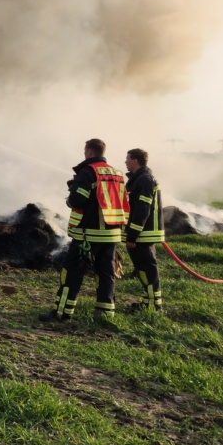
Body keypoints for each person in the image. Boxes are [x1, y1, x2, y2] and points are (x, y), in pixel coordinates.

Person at [39, 138, 129, 322]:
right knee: (105, 273)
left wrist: (72, 191)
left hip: (89, 234)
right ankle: (105, 313)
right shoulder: (117, 174)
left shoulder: (88, 172)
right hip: (112, 234)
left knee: (72, 272)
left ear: (89, 152)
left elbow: (77, 200)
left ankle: (62, 312)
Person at [124, 148, 164, 312]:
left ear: (135, 161)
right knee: (143, 269)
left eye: (127, 159)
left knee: (147, 269)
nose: (125, 162)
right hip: (142, 233)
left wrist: (132, 235)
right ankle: (150, 302)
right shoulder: (140, 178)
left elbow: (142, 210)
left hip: (143, 234)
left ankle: (154, 305)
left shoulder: (144, 180)